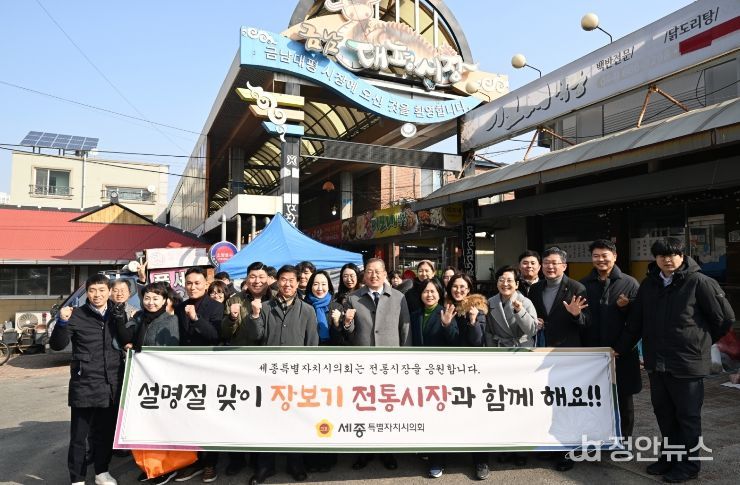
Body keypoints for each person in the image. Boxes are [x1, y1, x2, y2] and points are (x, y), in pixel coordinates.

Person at [616, 237, 734, 483]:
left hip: (687, 364)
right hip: (657, 363)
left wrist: (700, 342)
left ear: (682, 255)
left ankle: (689, 465)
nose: (667, 260)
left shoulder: (699, 282)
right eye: (662, 255)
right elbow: (636, 322)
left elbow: (724, 319)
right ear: (656, 258)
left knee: (687, 417)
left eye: (672, 255)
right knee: (664, 414)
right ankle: (670, 458)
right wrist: (620, 348)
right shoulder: (649, 284)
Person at [335, 258, 410, 471]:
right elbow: (348, 332)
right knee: (364, 407)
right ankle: (364, 450)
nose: (374, 275)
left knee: (387, 407)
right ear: (364, 275)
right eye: (369, 271)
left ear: (385, 274)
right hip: (363, 363)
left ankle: (387, 451)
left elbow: (405, 330)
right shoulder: (353, 298)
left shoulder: (398, 297)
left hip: (390, 363)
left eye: (378, 271)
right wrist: (347, 322)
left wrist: (406, 359)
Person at [246, 265, 318, 484]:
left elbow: (312, 344)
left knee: (295, 420)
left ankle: (295, 463)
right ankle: (265, 466)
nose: (287, 284)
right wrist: (255, 315)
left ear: (298, 283)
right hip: (269, 375)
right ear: (277, 282)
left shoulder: (307, 310)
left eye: (291, 280)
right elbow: (255, 336)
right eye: (283, 280)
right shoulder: (265, 307)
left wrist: (308, 375)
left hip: (296, 376)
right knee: (266, 421)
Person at [49, 274, 123, 485]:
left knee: (104, 434)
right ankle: (77, 479)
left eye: (101, 290)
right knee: (79, 436)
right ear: (87, 293)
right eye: (92, 290)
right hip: (85, 384)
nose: (97, 295)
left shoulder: (117, 314)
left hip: (111, 384)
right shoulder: (76, 315)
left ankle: (102, 472)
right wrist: (62, 322)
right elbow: (57, 345)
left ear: (109, 291)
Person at [529, 247, 590, 472]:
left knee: (566, 404)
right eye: (546, 262)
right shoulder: (535, 289)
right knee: (547, 402)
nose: (550, 266)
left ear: (564, 266)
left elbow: (588, 322)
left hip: (567, 353)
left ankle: (567, 450)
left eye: (554, 263)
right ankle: (550, 445)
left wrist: (576, 314)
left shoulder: (576, 288)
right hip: (542, 352)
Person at [114, 281, 180, 484]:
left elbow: (171, 352)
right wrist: (121, 322)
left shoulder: (171, 320)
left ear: (165, 300)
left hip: (161, 382)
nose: (150, 302)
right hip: (141, 380)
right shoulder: (140, 317)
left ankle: (167, 468)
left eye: (156, 298)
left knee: (161, 426)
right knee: (145, 426)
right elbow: (126, 337)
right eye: (147, 298)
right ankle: (151, 467)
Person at [580, 239, 640, 441]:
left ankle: (624, 441)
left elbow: (636, 322)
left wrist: (620, 348)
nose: (600, 260)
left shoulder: (629, 283)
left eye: (604, 255)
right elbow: (583, 319)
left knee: (623, 400)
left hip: (621, 353)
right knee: (595, 398)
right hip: (593, 354)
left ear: (614, 256)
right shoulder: (583, 284)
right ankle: (600, 439)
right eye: (596, 256)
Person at [173, 267, 224, 483]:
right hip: (185, 371)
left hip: (208, 371)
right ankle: (193, 461)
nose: (193, 287)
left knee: (209, 417)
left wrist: (195, 319)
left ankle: (210, 463)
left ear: (206, 284)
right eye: (189, 283)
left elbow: (215, 336)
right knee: (189, 418)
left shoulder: (216, 306)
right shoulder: (180, 307)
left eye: (197, 283)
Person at [221, 262, 272, 476]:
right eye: (252, 276)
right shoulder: (235, 300)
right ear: (247, 278)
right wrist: (232, 318)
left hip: (267, 366)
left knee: (263, 415)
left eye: (261, 277)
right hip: (240, 365)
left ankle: (261, 460)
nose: (257, 281)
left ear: (268, 279)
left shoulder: (275, 299)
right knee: (238, 412)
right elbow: (225, 333)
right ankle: (237, 458)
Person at [484, 265, 538, 468]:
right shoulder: (490, 303)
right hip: (499, 356)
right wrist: (493, 354)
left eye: (509, 280)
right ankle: (506, 446)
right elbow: (488, 332)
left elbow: (532, 330)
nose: (505, 284)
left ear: (516, 284)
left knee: (521, 404)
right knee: (503, 404)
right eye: (501, 280)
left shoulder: (525, 302)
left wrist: (519, 310)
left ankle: (522, 448)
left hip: (521, 355)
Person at [409, 277, 458, 478]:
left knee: (438, 418)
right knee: (423, 415)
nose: (429, 295)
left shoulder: (446, 313)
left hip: (440, 375)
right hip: (419, 374)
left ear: (439, 294)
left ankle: (438, 460)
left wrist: (447, 325)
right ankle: (427, 449)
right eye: (425, 291)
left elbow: (455, 343)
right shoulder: (414, 314)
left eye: (433, 291)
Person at [443, 272, 489, 479]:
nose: (458, 290)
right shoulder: (445, 307)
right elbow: (449, 341)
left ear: (469, 289)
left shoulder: (477, 307)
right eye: (455, 286)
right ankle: (444, 457)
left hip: (472, 371)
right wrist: (446, 324)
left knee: (475, 416)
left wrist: (472, 321)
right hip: (449, 370)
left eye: (462, 287)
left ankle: (481, 460)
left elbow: (478, 341)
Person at [303, 270, 344, 472]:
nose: (319, 288)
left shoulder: (337, 307)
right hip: (309, 364)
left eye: (323, 284)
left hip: (331, 365)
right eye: (316, 284)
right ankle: (310, 457)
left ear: (329, 286)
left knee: (329, 410)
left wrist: (336, 324)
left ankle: (328, 456)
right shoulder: (303, 306)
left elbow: (343, 341)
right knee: (309, 410)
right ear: (310, 286)